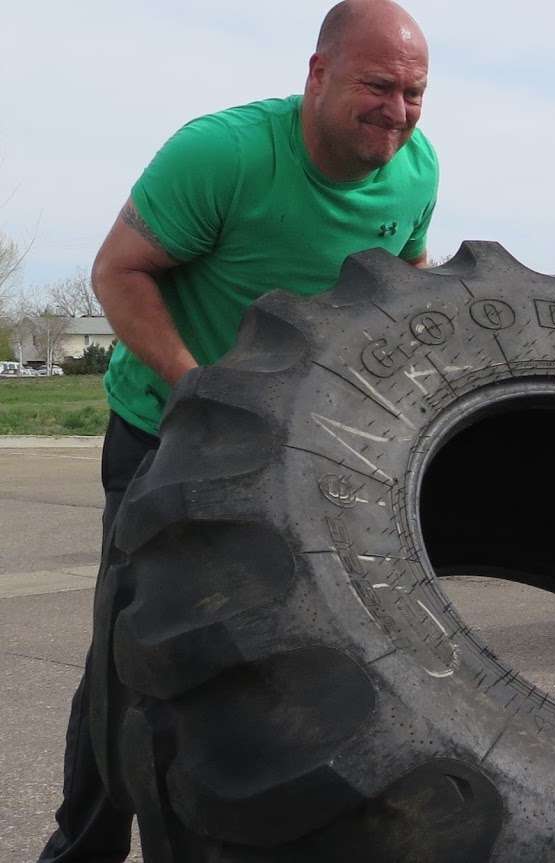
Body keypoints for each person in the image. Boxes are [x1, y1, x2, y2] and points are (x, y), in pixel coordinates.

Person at [38, 2, 437, 860]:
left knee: (276, 650)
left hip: (299, 450)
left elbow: (407, 277)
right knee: (130, 661)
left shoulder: (416, 171)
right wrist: (200, 391)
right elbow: (118, 272)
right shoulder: (222, 154)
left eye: (414, 93)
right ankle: (83, 846)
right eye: (378, 85)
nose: (397, 111)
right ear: (318, 73)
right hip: (164, 432)